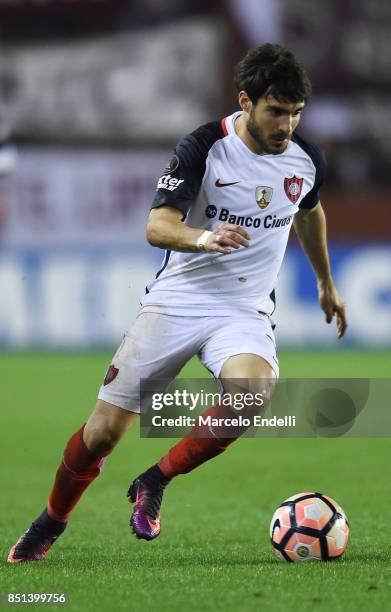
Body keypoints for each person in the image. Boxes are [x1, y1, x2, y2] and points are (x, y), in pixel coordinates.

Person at [8, 43, 347, 562]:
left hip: (243, 309)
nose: (286, 125)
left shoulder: (307, 159)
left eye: (296, 113)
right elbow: (156, 225)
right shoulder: (205, 146)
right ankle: (51, 521)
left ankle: (156, 479)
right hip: (178, 302)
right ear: (246, 101)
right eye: (275, 112)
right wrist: (203, 238)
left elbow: (309, 212)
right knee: (101, 435)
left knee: (253, 391)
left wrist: (325, 282)